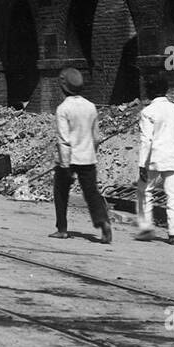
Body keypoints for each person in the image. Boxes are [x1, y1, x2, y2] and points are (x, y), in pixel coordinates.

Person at [51, 67, 112, 243]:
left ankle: (61, 229)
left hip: (69, 159)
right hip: (88, 157)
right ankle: (103, 222)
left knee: (61, 192)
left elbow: (63, 139)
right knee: (91, 192)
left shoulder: (63, 108)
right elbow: (96, 137)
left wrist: (64, 164)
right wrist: (92, 154)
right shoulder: (91, 107)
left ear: (64, 87)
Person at [136, 72, 174, 245]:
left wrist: (142, 164)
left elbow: (146, 140)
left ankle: (146, 229)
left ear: (149, 91)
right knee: (173, 195)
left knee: (145, 192)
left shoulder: (147, 112)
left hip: (153, 158)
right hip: (173, 156)